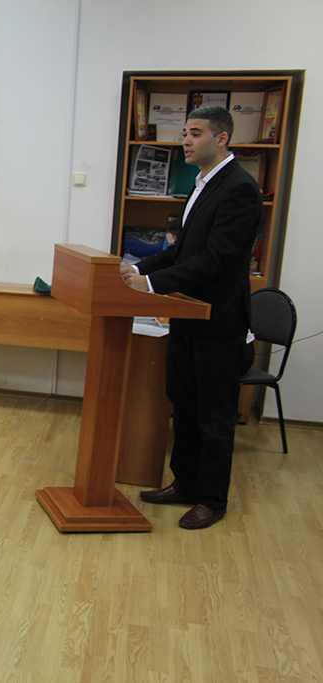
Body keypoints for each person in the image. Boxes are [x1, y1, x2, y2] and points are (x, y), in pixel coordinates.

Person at [122, 105, 262, 530]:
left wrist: (149, 284)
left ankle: (212, 499)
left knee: (214, 415)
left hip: (218, 322)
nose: (185, 140)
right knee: (183, 402)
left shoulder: (239, 188)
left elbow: (216, 261)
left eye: (195, 133)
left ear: (222, 138)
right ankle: (184, 483)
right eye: (185, 132)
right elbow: (181, 253)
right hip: (185, 313)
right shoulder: (201, 184)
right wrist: (135, 268)